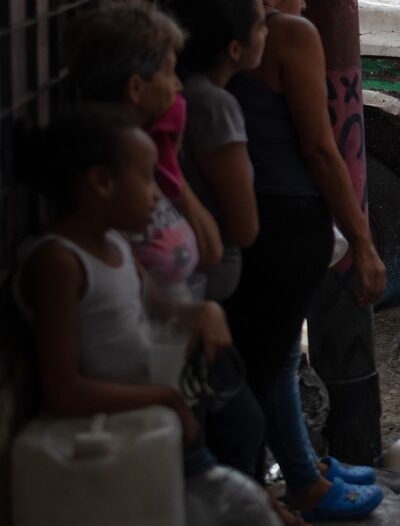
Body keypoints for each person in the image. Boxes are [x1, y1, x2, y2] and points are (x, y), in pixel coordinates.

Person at [192, 0, 386, 521]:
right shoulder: (289, 36)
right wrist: (363, 240)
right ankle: (289, 489)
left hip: (232, 217)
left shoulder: (198, 19)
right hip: (286, 224)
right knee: (265, 366)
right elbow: (321, 151)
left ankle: (301, 473)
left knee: (270, 359)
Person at [15, 106, 280, 524]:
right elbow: (61, 390)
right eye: (146, 176)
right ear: (101, 182)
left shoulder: (117, 244)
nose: (156, 193)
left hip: (150, 421)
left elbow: (159, 310)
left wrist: (205, 311)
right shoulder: (59, 264)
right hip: (115, 437)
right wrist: (165, 398)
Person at [65, 2, 222, 299]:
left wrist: (169, 165)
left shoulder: (151, 158)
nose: (177, 86)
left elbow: (211, 250)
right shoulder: (113, 182)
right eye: (170, 72)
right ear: (136, 89)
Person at [167, 0, 268, 305]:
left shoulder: (190, 93)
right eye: (260, 27)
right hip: (206, 290)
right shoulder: (213, 106)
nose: (267, 33)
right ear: (235, 48)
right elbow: (244, 228)